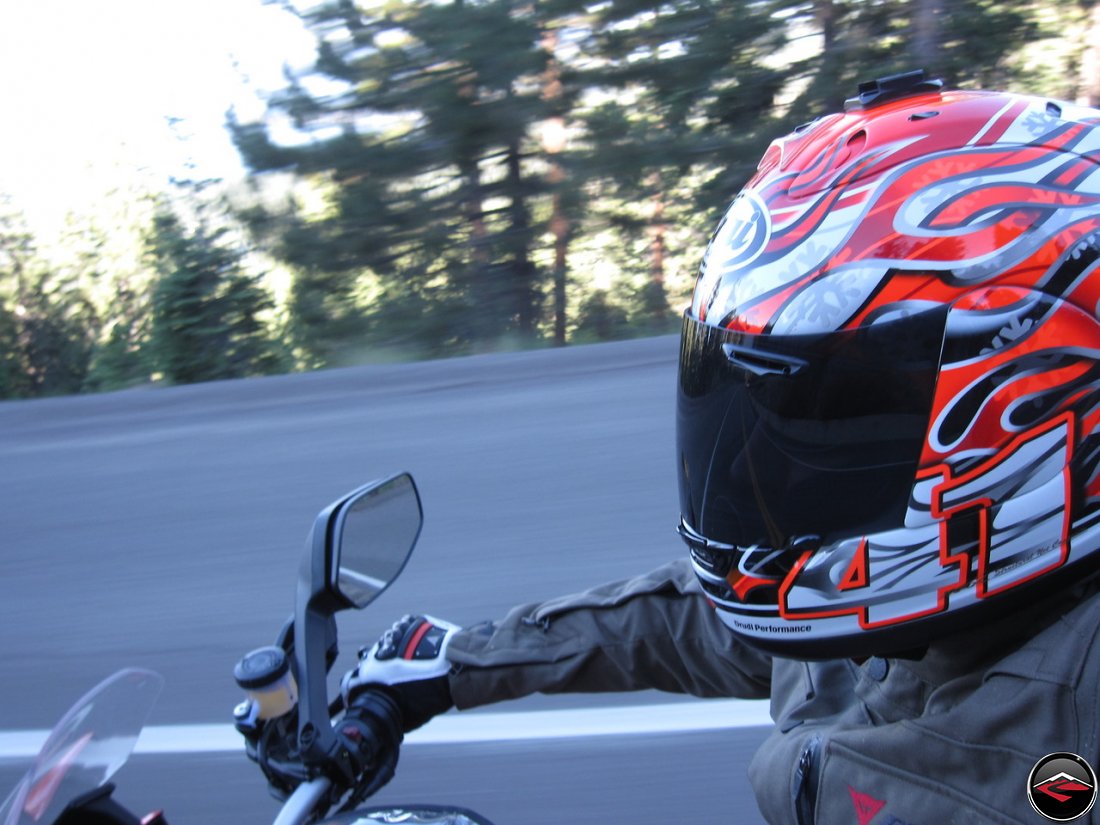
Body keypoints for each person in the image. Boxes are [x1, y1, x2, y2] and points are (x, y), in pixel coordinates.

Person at [342, 71, 1100, 823]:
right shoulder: (949, 612)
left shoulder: (1046, 772)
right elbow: (752, 623)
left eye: (838, 415)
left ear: (1022, 402)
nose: (743, 472)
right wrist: (461, 660)